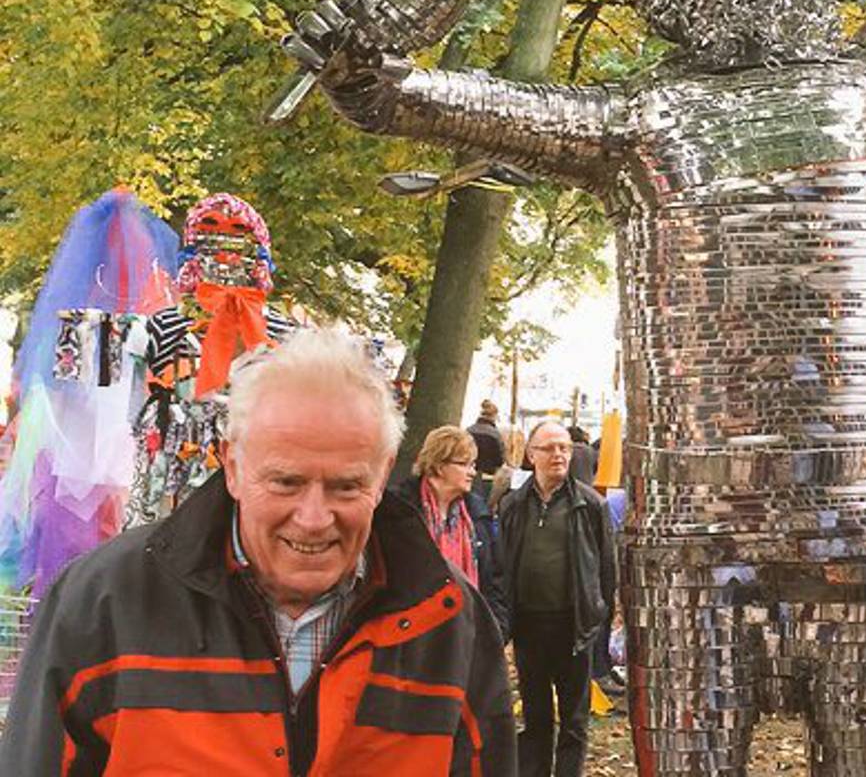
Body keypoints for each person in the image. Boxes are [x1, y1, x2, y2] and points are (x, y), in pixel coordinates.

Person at [0, 327, 516, 775]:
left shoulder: (449, 622)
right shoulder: (104, 602)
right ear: (232, 466)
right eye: (286, 482)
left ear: (383, 474)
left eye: (345, 487)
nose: (314, 518)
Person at [500, 420, 616, 777]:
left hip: (573, 624)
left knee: (574, 719)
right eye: (549, 448)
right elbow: (502, 564)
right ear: (531, 454)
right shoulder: (513, 504)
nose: (559, 455)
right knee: (535, 716)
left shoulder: (590, 504)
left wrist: (599, 617)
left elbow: (606, 570)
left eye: (564, 447)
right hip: (529, 625)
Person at [391, 424, 510, 641]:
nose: (472, 472)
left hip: (466, 635)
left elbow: (493, 578)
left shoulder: (477, 516)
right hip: (412, 636)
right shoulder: (399, 511)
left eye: (473, 464)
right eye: (464, 464)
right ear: (438, 465)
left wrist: (497, 629)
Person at [468, 399, 507, 500]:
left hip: (468, 475)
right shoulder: (495, 434)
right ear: (494, 416)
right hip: (487, 478)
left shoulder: (468, 430)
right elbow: (500, 460)